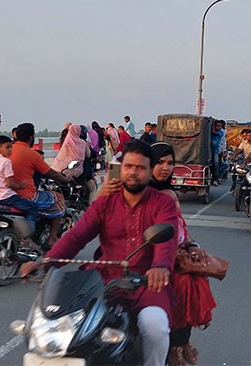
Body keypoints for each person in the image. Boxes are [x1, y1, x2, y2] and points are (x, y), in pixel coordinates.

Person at [20, 140, 178, 365]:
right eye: (128, 166)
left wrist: (160, 266)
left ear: (149, 170)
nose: (133, 172)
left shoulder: (163, 203)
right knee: (73, 326)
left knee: (155, 327)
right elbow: (77, 235)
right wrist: (45, 262)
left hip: (146, 282)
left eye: (140, 168)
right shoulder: (106, 201)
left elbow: (166, 243)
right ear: (121, 167)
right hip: (103, 280)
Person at [97, 142, 216, 365]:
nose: (166, 168)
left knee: (187, 281)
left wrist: (191, 247)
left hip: (164, 255)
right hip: (128, 259)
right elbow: (94, 221)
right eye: (160, 162)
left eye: (170, 163)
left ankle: (178, 342)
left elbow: (180, 229)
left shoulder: (168, 194)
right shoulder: (124, 190)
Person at [11, 123, 71, 247]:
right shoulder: (32, 154)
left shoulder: (8, 150)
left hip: (6, 195)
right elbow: (51, 173)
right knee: (58, 198)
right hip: (26, 196)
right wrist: (65, 179)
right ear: (31, 138)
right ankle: (52, 237)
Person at [0, 136, 38, 230]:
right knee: (33, 208)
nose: (10, 150)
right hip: (6, 198)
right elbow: (9, 184)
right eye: (7, 147)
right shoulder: (6, 162)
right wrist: (20, 185)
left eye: (11, 147)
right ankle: (28, 237)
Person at [210, 120, 226, 186]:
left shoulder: (221, 132)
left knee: (216, 164)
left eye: (220, 126)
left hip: (216, 151)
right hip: (209, 150)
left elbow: (214, 132)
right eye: (217, 126)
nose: (218, 127)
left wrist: (212, 123)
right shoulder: (210, 132)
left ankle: (216, 178)